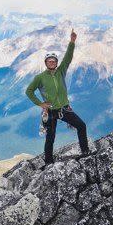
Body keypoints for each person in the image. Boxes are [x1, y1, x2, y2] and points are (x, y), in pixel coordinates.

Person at [25, 29, 89, 165]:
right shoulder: (40, 78)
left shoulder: (61, 71)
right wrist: (41, 104)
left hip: (64, 109)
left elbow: (68, 58)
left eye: (54, 61)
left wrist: (72, 42)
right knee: (50, 137)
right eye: (49, 61)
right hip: (51, 111)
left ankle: (86, 152)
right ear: (46, 63)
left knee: (81, 126)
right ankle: (48, 163)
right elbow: (29, 91)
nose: (52, 63)